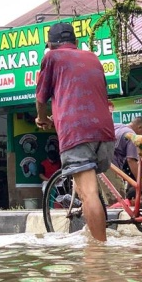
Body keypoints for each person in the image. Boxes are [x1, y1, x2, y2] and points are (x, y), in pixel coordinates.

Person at [35, 22, 115, 241]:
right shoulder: (93, 58)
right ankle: (97, 234)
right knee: (91, 190)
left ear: (50, 45)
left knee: (88, 194)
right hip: (105, 131)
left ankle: (99, 251)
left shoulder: (51, 58)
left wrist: (42, 119)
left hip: (77, 133)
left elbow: (41, 98)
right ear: (76, 43)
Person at [113, 116, 142, 202]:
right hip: (111, 168)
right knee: (117, 201)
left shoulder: (117, 126)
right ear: (139, 127)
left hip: (98, 162)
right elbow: (131, 160)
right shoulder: (132, 136)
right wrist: (140, 183)